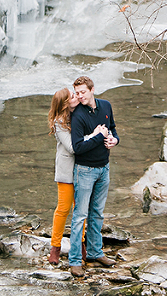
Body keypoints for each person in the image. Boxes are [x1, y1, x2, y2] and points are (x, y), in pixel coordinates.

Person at [68, 75, 119, 277]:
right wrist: (99, 136)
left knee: (97, 213)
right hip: (85, 170)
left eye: (83, 92)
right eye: (77, 93)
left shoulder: (105, 106)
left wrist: (114, 140)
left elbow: (113, 129)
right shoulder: (78, 115)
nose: (80, 96)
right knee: (80, 216)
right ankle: (74, 261)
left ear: (92, 90)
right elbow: (78, 148)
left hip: (104, 168)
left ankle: (95, 253)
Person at [47, 87, 79, 265]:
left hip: (82, 170)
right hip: (66, 172)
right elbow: (73, 147)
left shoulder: (79, 114)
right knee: (63, 209)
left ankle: (80, 245)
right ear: (66, 103)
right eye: (73, 96)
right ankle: (55, 247)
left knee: (80, 210)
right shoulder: (60, 122)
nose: (76, 97)